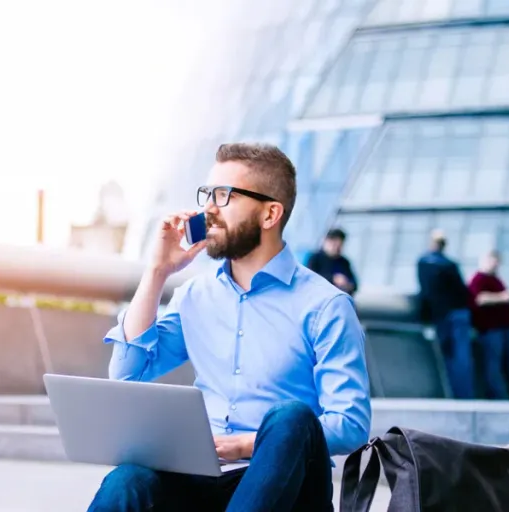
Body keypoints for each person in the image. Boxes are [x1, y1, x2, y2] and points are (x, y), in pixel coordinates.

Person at [89, 142, 371, 512]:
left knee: (291, 418)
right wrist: (157, 272)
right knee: (128, 481)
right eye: (208, 194)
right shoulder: (194, 295)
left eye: (224, 196)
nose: (208, 209)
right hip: (202, 474)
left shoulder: (326, 307)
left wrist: (246, 443)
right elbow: (127, 376)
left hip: (287, 483)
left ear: (270, 214)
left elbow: (350, 423)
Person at [416, 230, 474, 399]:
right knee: (461, 358)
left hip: (441, 315)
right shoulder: (450, 264)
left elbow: (425, 291)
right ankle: (463, 395)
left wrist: (425, 316)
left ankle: (453, 394)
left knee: (447, 356)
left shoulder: (424, 262)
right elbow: (462, 291)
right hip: (458, 314)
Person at [467, 250, 509, 400]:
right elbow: (479, 299)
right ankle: (495, 397)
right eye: (493, 261)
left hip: (505, 328)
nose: (495, 264)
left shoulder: (497, 280)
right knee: (493, 365)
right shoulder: (478, 279)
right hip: (490, 330)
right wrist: (503, 297)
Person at [305, 228, 358, 296]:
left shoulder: (344, 262)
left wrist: (348, 284)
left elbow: (354, 283)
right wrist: (333, 279)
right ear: (326, 241)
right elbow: (310, 279)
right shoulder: (315, 258)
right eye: (334, 244)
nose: (336, 248)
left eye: (339, 245)